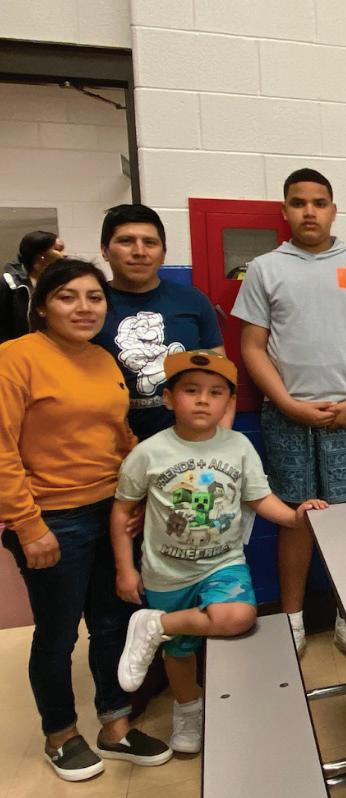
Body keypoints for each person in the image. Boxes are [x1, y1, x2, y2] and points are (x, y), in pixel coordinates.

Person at [0, 259, 171, 782]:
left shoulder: (102, 359)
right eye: (68, 296)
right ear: (42, 306)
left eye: (94, 298)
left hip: (112, 511)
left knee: (112, 622)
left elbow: (119, 435)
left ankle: (115, 727)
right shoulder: (16, 358)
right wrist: (28, 525)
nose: (83, 308)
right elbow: (2, 450)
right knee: (57, 635)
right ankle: (60, 734)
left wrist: (140, 490)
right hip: (53, 517)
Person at [111, 350, 328, 753]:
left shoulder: (238, 446)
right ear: (168, 398)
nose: (202, 400)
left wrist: (296, 517)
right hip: (165, 571)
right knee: (179, 652)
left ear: (228, 402)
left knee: (238, 616)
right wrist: (125, 569)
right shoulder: (148, 453)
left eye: (215, 393)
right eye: (191, 391)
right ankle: (187, 711)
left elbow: (259, 498)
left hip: (223, 565)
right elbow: (123, 511)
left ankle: (156, 625)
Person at [232, 168, 346, 662]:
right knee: (295, 520)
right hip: (288, 415)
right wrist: (286, 402)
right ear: (285, 211)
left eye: (319, 203)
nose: (309, 211)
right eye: (299, 203)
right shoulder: (265, 269)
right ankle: (294, 621)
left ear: (333, 210)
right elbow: (252, 346)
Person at [93, 204, 228, 443]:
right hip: (107, 448)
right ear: (105, 250)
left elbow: (220, 376)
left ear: (163, 253)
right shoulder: (91, 305)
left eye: (150, 242)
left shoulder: (192, 300)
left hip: (184, 445)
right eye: (126, 241)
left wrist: (216, 441)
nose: (139, 251)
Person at [0, 230, 65, 342]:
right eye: (58, 249)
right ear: (41, 256)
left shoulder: (61, 283)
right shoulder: (9, 284)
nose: (65, 254)